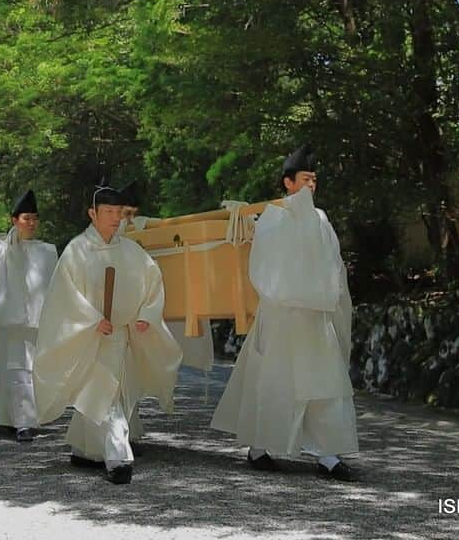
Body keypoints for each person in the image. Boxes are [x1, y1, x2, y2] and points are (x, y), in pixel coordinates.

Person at [211, 145, 358, 480]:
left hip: (315, 316)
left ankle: (328, 454)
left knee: (325, 383)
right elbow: (263, 265)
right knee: (273, 382)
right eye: (305, 179)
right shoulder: (272, 218)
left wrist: (330, 294)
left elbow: (334, 263)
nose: (311, 186)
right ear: (288, 182)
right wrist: (294, 293)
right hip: (281, 315)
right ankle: (259, 448)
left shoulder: (321, 219)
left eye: (314, 180)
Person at [32, 185, 181, 484]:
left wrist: (145, 315)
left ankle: (87, 450)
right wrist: (90, 319)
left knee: (107, 392)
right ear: (93, 214)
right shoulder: (77, 250)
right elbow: (64, 296)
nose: (116, 219)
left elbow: (153, 283)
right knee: (103, 393)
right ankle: (118, 458)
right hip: (90, 335)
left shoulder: (131, 251)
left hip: (119, 335)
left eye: (119, 213)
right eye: (109, 212)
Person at [118, 180, 213, 450]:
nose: (130, 220)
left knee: (133, 373)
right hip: (115, 319)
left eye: (134, 214)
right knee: (119, 375)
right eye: (125, 214)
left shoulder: (147, 235)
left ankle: (125, 429)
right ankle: (119, 432)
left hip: (140, 316)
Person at [0, 191, 58, 442]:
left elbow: (54, 285)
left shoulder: (46, 251)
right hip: (12, 322)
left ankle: (16, 416)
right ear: (14, 220)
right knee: (16, 370)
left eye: (35, 218)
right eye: (26, 218)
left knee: (33, 370)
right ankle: (22, 422)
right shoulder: (1, 249)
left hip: (38, 322)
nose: (31, 223)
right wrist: (4, 314)